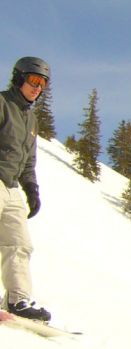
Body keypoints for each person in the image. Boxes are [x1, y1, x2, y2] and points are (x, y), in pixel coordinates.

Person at [0, 56, 51, 322]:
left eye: (42, 83)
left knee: (19, 244)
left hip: (10, 187)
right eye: (33, 80)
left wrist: (31, 189)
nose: (37, 88)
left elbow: (28, 160)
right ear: (19, 78)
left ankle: (16, 300)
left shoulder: (30, 121)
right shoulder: (2, 103)